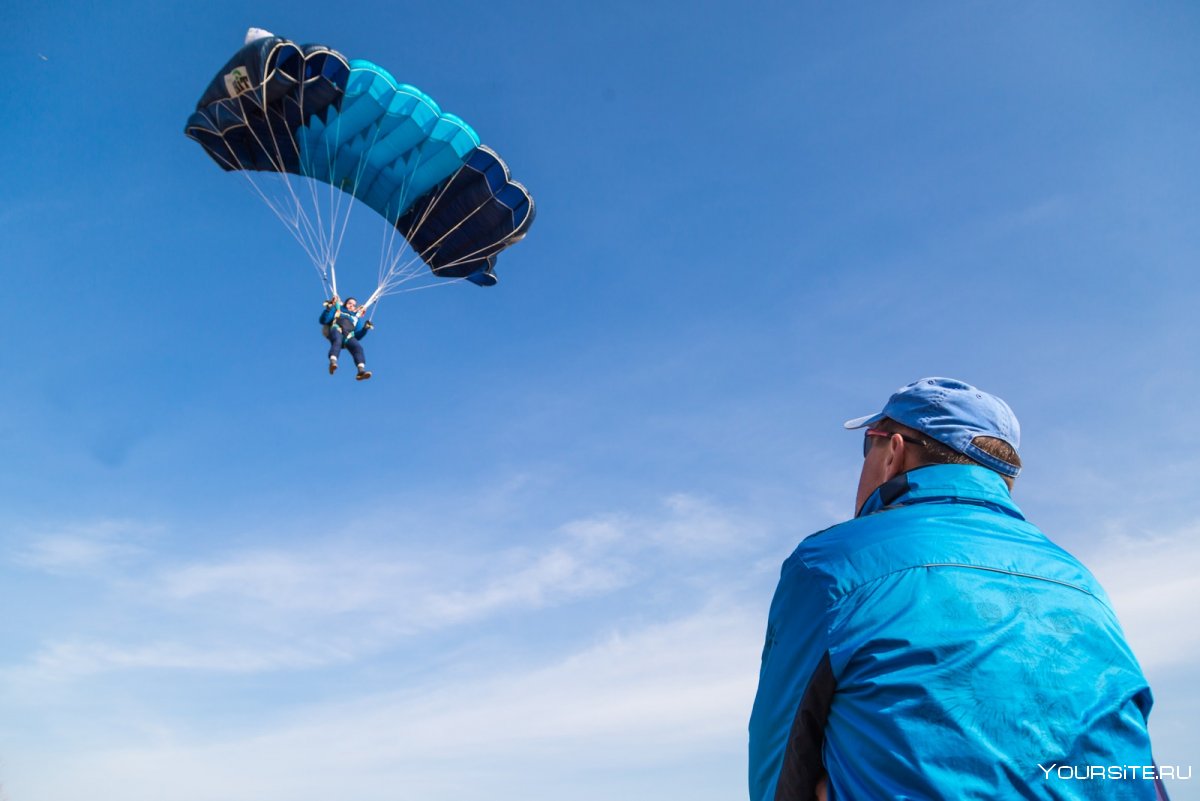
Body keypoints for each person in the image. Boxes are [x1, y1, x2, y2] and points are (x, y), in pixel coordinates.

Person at [749, 377, 1168, 801]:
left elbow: (782, 747)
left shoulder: (831, 563)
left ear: (893, 451)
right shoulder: (1081, 580)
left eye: (868, 445)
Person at [319, 295, 373, 380]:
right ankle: (333, 362)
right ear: (345, 304)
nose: (351, 305)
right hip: (337, 329)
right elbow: (323, 320)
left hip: (348, 335)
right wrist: (328, 308)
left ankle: (361, 371)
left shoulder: (355, 318)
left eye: (354, 305)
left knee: (358, 348)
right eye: (349, 303)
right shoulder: (338, 310)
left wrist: (365, 328)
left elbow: (357, 335)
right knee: (337, 341)